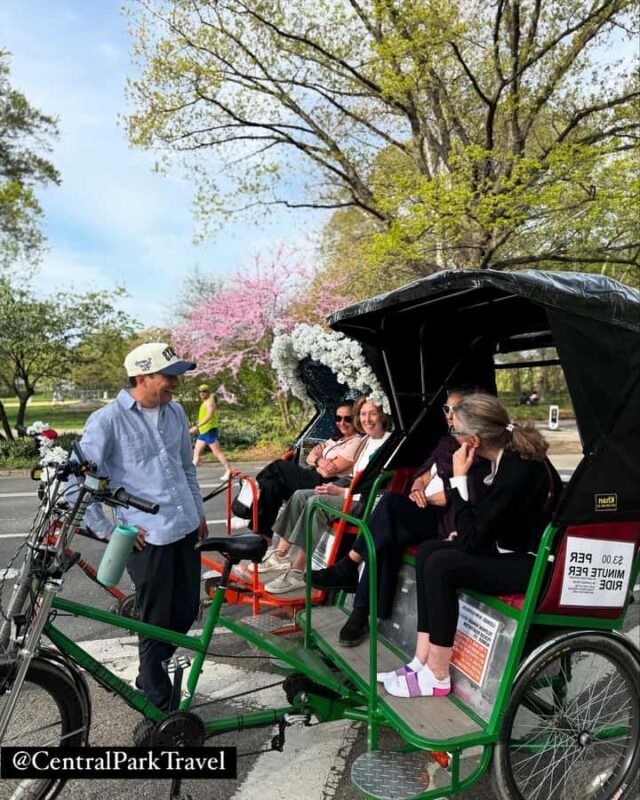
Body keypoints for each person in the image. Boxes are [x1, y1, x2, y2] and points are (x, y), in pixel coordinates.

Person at [380, 393, 562, 698]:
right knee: (429, 551)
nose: (453, 436)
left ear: (473, 441)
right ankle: (421, 660)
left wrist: (458, 479)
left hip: (533, 563)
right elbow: (478, 526)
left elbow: (473, 536)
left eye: (456, 431)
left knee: (441, 565)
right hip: (509, 548)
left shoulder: (517, 470)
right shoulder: (507, 459)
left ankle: (438, 675)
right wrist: (464, 531)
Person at [78, 342, 208, 711]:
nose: (175, 384)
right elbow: (82, 482)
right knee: (154, 620)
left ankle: (149, 673)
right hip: (147, 538)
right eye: (169, 376)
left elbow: (186, 467)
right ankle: (157, 701)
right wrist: (107, 531)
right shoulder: (107, 421)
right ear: (142, 376)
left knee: (184, 612)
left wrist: (197, 513)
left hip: (183, 528)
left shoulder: (176, 412)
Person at [311, 389, 491, 646]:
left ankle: (351, 570)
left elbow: (464, 491)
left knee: (390, 506)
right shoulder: (446, 442)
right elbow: (424, 472)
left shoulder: (476, 448)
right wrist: (417, 488)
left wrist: (425, 498)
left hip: (445, 516)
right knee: (387, 534)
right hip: (421, 505)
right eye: (447, 410)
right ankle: (361, 611)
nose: (450, 417)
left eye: (455, 411)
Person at [260, 398, 392, 594]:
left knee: (316, 503)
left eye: (372, 413)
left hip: (364, 501)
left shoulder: (388, 444)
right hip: (349, 489)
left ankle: (297, 571)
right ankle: (280, 555)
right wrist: (334, 486)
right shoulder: (365, 440)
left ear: (382, 415)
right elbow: (351, 475)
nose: (367, 419)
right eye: (363, 414)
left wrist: (342, 491)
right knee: (299, 495)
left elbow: (380, 488)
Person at [234, 401, 362, 541]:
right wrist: (320, 460)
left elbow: (327, 473)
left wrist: (317, 459)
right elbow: (310, 457)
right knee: (272, 486)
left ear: (356, 419)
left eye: (347, 419)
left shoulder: (356, 443)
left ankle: (255, 493)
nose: (342, 423)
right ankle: (262, 537)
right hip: (315, 474)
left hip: (328, 483)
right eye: (338, 418)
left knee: (279, 466)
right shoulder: (336, 439)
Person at [189, 383, 231, 480]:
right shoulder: (205, 402)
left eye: (204, 391)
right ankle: (190, 473)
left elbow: (209, 417)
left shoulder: (210, 402)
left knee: (217, 452)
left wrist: (196, 426)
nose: (202, 393)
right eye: (200, 392)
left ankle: (229, 470)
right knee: (196, 453)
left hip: (209, 430)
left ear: (208, 392)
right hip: (203, 431)